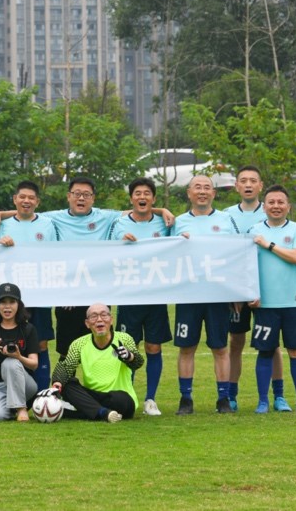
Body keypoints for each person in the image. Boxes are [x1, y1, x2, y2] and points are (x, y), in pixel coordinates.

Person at [0, 176, 172, 358]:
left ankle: (98, 386)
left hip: (98, 293)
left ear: (93, 198)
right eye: (77, 194)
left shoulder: (106, 217)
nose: (81, 198)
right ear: (69, 196)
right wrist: (1, 214)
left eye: (86, 194)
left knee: (101, 350)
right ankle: (64, 386)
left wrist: (162, 210)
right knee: (67, 352)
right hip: (69, 297)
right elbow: (26, 212)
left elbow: (136, 209)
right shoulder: (54, 218)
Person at [244, 186, 296, 414]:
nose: (276, 206)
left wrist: (270, 245)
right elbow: (245, 266)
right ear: (264, 207)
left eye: (280, 202)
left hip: (293, 303)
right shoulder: (253, 230)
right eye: (271, 202)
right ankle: (264, 400)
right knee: (265, 351)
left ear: (288, 206)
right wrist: (250, 292)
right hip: (264, 304)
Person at [172, 175, 239, 416]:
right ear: (188, 193)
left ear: (214, 193)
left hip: (218, 295)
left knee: (220, 347)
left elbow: (238, 255)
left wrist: (237, 292)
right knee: (186, 347)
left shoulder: (227, 221)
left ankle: (223, 399)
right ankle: (185, 399)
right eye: (197, 187)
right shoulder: (177, 222)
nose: (202, 191)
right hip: (188, 295)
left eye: (207, 188)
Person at [223, 165, 285, 411]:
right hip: (237, 292)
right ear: (237, 186)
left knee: (273, 344)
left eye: (253, 180)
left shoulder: (272, 210)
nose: (248, 184)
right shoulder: (226, 215)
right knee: (235, 341)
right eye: (243, 181)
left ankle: (278, 395)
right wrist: (235, 290)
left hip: (267, 291)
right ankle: (231, 395)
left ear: (260, 185)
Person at [112, 177, 172, 417]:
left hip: (156, 296)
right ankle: (128, 396)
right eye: (138, 193)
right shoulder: (118, 224)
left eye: (147, 193)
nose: (142, 197)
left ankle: (151, 399)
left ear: (154, 199)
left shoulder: (165, 223)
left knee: (153, 346)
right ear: (131, 198)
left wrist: (164, 210)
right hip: (129, 297)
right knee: (127, 348)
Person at [0, 180, 58, 389]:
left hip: (41, 295)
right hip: (12, 298)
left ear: (37, 202)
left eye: (31, 198)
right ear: (15, 200)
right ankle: (14, 393)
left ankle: (42, 393)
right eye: (22, 197)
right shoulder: (4, 225)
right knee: (12, 343)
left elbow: (58, 257)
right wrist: (0, 244)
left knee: (40, 343)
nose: (26, 201)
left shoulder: (47, 224)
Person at [50, 303, 144, 422]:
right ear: (87, 323)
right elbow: (65, 367)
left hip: (120, 399)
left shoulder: (124, 339)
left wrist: (129, 356)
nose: (99, 319)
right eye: (94, 316)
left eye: (104, 315)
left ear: (111, 320)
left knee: (121, 399)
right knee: (68, 385)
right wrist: (58, 381)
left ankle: (83, 412)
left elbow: (138, 362)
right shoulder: (79, 344)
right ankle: (103, 412)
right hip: (93, 397)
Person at [0, 283, 40, 422]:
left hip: (24, 384)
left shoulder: (28, 329)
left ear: (19, 305)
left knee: (10, 362)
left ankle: (21, 408)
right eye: (3, 302)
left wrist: (18, 357)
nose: (7, 307)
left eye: (12, 302)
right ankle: (11, 409)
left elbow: (34, 364)